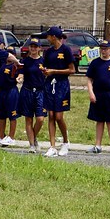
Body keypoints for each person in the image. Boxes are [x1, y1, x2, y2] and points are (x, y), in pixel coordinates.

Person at [85, 40, 110, 155]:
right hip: (98, 94)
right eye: (102, 49)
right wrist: (91, 93)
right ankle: (97, 145)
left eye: (106, 49)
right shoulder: (95, 63)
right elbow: (89, 80)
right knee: (99, 120)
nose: (104, 51)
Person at [41, 26, 75, 157]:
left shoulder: (66, 50)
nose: (47, 38)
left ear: (53, 37)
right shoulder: (48, 52)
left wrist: (55, 71)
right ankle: (52, 146)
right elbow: (46, 67)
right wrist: (45, 71)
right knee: (51, 115)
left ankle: (66, 142)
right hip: (50, 84)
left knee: (59, 116)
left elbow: (72, 70)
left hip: (61, 85)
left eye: (48, 36)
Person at [18, 37, 47, 153]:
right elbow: (21, 73)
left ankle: (34, 137)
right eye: (31, 46)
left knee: (40, 119)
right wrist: (19, 78)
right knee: (28, 119)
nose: (33, 48)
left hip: (40, 92)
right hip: (27, 91)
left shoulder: (44, 61)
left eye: (35, 46)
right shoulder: (25, 61)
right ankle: (31, 145)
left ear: (40, 48)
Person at [0, 38, 22, 146]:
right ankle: (1, 136)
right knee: (1, 115)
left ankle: (11, 137)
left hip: (11, 91)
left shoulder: (15, 66)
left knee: (12, 115)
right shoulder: (2, 64)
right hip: (2, 91)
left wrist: (19, 78)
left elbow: (21, 74)